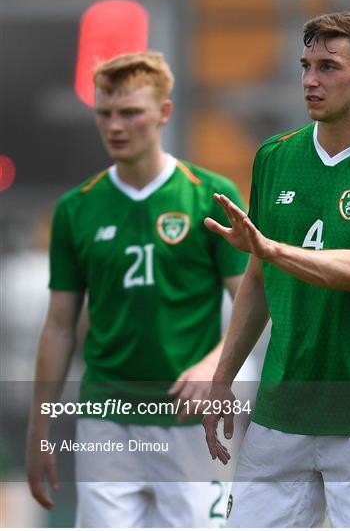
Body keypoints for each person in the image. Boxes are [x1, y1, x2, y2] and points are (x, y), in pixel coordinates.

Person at [203, 12, 350, 528]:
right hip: (281, 413)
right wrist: (223, 379)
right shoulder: (274, 157)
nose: (311, 79)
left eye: (329, 67)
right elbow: (258, 281)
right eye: (306, 65)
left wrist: (270, 248)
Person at [26, 51, 249, 527]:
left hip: (192, 423)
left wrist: (213, 367)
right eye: (105, 114)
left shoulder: (208, 194)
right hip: (106, 417)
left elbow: (252, 302)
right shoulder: (75, 209)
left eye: (130, 112)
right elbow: (59, 327)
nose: (116, 126)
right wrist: (39, 429)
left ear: (163, 113)